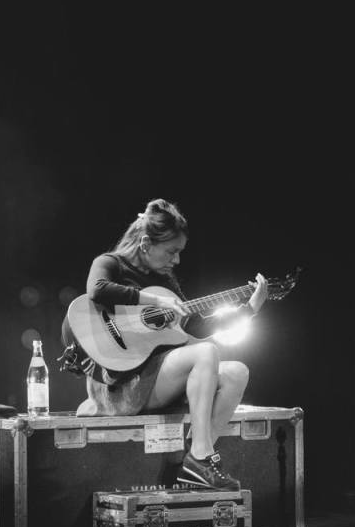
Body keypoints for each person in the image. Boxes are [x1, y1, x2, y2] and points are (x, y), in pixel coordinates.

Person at [60, 198, 268, 490]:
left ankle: (196, 460)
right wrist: (153, 300)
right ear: (146, 243)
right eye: (172, 251)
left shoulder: (165, 281)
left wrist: (249, 309)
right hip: (121, 385)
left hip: (156, 381)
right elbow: (97, 290)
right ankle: (200, 457)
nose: (176, 260)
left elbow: (195, 326)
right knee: (207, 352)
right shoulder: (110, 264)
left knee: (237, 373)